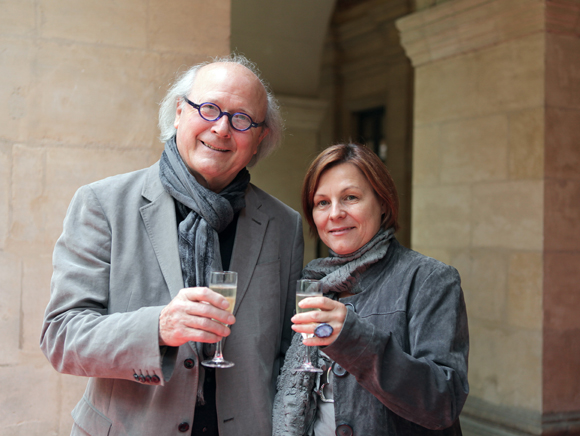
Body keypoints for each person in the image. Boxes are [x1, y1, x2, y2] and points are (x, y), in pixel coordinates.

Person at [40, 55, 304, 436]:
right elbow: (61, 337)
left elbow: (287, 354)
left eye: (242, 119)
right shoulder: (103, 203)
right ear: (180, 112)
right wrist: (159, 327)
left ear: (260, 137)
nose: (222, 128)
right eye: (209, 109)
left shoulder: (284, 225)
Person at [272, 143, 469, 436]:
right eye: (322, 202)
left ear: (383, 203)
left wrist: (354, 339)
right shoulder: (311, 283)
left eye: (350, 197)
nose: (335, 213)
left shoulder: (429, 279)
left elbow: (443, 402)